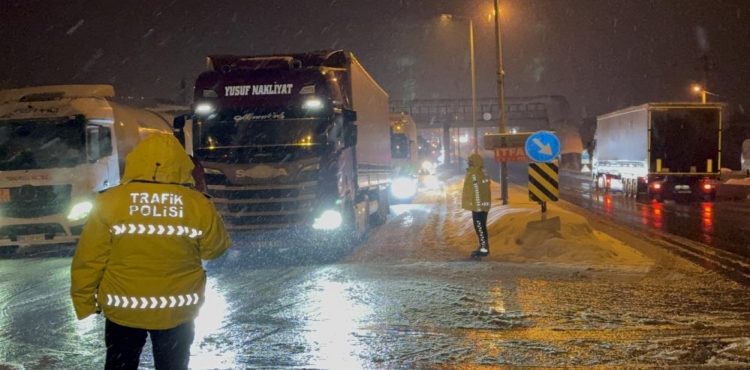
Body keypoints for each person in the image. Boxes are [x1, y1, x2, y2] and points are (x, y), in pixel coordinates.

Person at [70, 133, 231, 370]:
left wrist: (84, 302)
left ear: (137, 161)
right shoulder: (198, 204)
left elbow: (89, 258)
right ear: (180, 164)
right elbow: (214, 250)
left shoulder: (110, 201)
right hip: (177, 309)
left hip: (123, 308)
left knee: (121, 366)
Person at [462, 153, 492, 257]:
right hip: (481, 206)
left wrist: (477, 208)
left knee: (479, 227)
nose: (468, 164)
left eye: (470, 162)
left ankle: (484, 248)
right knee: (481, 227)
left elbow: (477, 192)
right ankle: (483, 246)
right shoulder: (481, 173)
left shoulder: (475, 174)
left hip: (479, 207)